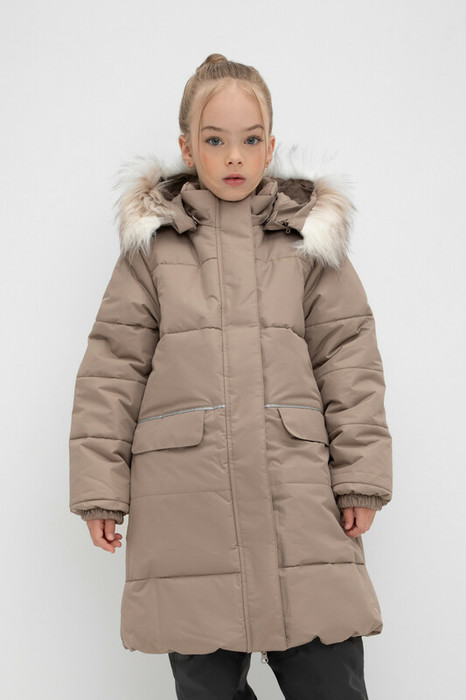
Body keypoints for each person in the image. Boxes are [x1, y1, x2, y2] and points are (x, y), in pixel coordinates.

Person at [69, 53, 393, 700]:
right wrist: (101, 489)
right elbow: (112, 368)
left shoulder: (309, 243)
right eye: (215, 141)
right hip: (189, 505)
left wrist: (360, 476)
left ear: (270, 147)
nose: (234, 157)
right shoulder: (154, 250)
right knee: (207, 684)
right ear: (188, 148)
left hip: (299, 496)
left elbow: (349, 360)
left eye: (250, 140)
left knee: (329, 675)